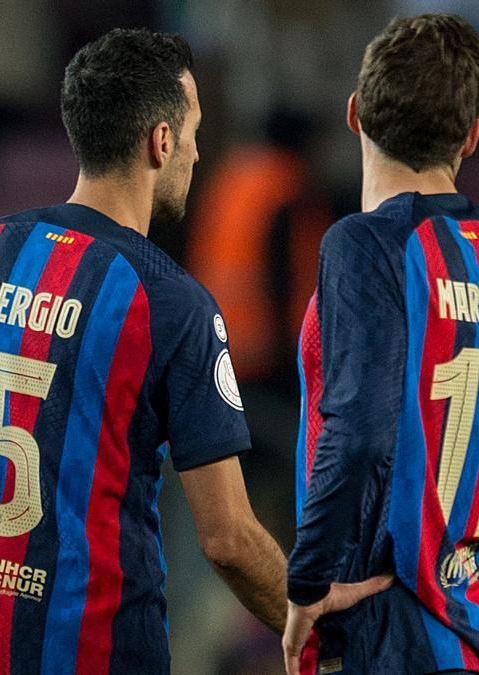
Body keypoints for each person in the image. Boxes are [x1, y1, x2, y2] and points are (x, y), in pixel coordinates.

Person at [0, 28, 300, 673]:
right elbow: (231, 540)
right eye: (192, 133)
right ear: (161, 141)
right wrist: (320, 633)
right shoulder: (170, 303)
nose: (195, 151)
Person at [284, 13, 479, 675]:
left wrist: (307, 579)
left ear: (355, 112)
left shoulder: (364, 245)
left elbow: (361, 428)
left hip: (397, 624)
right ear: (471, 136)